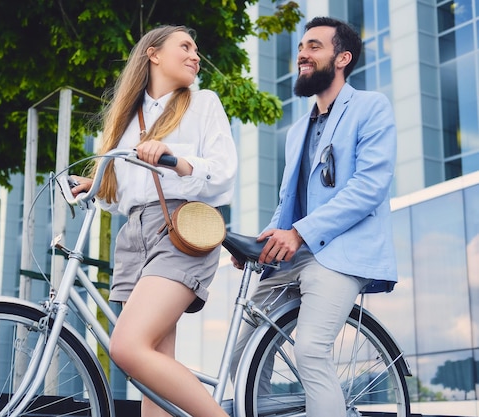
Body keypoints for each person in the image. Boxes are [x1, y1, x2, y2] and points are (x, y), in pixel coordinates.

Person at [229, 16, 397, 416]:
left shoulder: (371, 107)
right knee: (242, 354)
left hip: (340, 254)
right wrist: (263, 241)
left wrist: (299, 234)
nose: (303, 54)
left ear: (343, 58)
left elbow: (368, 187)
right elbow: (291, 201)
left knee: (310, 349)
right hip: (296, 254)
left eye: (314, 47)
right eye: (302, 47)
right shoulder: (296, 131)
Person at [71, 25, 237, 417]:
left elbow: (224, 172)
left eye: (196, 48)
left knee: (127, 347)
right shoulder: (126, 118)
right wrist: (95, 184)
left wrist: (174, 157)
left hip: (180, 229)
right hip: (134, 236)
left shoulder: (203, 102)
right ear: (154, 54)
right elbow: (124, 194)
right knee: (150, 372)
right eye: (186, 46)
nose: (196, 55)